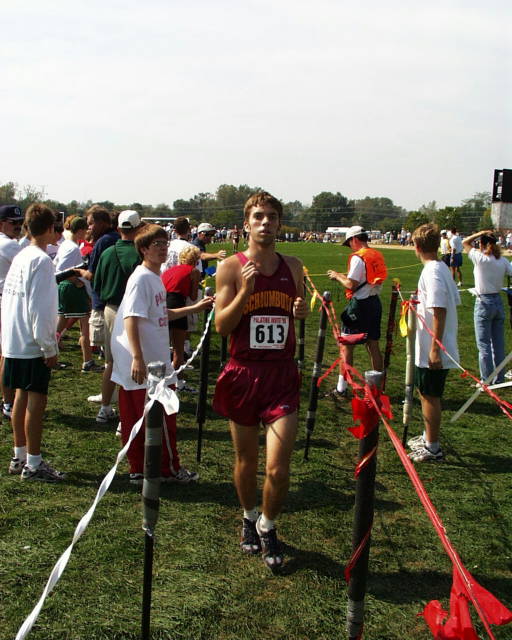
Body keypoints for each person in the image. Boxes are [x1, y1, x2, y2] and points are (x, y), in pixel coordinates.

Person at [213, 191, 308, 570]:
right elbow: (222, 326)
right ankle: (249, 515)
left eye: (271, 216)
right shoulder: (231, 268)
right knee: (246, 460)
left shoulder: (295, 265)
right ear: (247, 224)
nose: (265, 222)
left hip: (281, 374)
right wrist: (246, 292)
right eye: (258, 216)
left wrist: (300, 312)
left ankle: (268, 525)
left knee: (278, 468)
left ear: (279, 223)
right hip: (243, 373)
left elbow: (295, 313)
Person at [110, 224, 213, 484]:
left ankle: (140, 469)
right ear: (143, 249)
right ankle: (166, 469)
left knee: (140, 418)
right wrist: (137, 357)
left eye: (165, 243)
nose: (163, 248)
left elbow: (159, 314)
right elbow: (132, 318)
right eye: (156, 244)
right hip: (146, 363)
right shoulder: (142, 278)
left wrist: (194, 308)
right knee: (161, 417)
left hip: (151, 361)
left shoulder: (155, 277)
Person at [2, 203, 65, 482]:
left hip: (14, 339)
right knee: (35, 401)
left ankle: (20, 455)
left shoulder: (22, 255)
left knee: (19, 396)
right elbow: (39, 309)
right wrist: (48, 347)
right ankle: (34, 463)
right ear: (50, 229)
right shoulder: (40, 260)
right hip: (31, 342)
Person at [407, 223, 460, 463]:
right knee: (425, 392)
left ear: (416, 246)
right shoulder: (439, 268)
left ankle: (433, 447)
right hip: (430, 344)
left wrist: (435, 349)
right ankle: (428, 436)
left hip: (434, 347)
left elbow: (439, 309)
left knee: (430, 395)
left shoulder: (433, 272)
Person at [88, 210, 144, 423]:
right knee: (133, 361)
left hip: (110, 308)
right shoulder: (141, 253)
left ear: (119, 228)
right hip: (133, 311)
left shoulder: (107, 252)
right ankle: (126, 416)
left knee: (111, 362)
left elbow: (97, 283)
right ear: (139, 229)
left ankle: (105, 408)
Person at [326, 225, 387, 397]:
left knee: (346, 346)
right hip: (374, 303)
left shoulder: (358, 258)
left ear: (354, 239)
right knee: (373, 345)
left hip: (359, 305)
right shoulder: (376, 254)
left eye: (349, 243)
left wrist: (337, 275)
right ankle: (377, 389)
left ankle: (341, 388)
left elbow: (351, 284)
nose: (349, 247)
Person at [462, 230, 512, 383]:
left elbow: (465, 243)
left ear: (482, 244)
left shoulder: (480, 258)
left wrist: (481, 232)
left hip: (484, 302)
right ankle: (499, 378)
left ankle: (486, 380)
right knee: (498, 344)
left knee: (484, 345)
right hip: (498, 301)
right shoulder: (502, 261)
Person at [54, 216, 98, 372]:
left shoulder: (66, 244)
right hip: (72, 288)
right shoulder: (72, 247)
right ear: (80, 230)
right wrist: (77, 281)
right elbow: (62, 269)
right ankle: (88, 361)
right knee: (85, 325)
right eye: (85, 230)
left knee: (60, 324)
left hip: (64, 287)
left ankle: (52, 356)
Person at [161, 245, 201, 392]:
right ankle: (179, 382)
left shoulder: (169, 270)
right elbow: (193, 296)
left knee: (163, 346)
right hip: (178, 305)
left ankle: (162, 379)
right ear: (195, 260)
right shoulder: (194, 271)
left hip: (163, 306)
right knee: (179, 349)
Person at [0, 204, 24, 418]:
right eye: (13, 223)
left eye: (20, 223)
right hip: (6, 303)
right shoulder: (9, 246)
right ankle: (8, 402)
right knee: (7, 354)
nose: (18, 226)